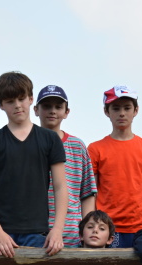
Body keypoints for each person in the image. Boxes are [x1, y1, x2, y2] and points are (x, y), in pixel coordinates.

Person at [0, 71, 67, 258]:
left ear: (31, 99)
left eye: (21, 98)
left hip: (38, 231)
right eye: (10, 101)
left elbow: (60, 187)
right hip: (1, 233)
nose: (17, 105)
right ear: (1, 105)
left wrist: (57, 229)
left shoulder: (50, 139)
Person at [88, 86, 142, 247]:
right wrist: (92, 224)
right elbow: (92, 192)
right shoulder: (95, 149)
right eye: (116, 108)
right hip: (107, 227)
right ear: (106, 111)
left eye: (127, 108)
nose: (122, 113)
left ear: (136, 110)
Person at [33, 85, 97, 247]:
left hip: (71, 235)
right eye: (47, 106)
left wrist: (86, 230)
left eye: (58, 107)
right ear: (36, 110)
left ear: (66, 112)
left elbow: (87, 193)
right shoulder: (27, 143)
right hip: (33, 234)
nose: (52, 111)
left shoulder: (77, 146)